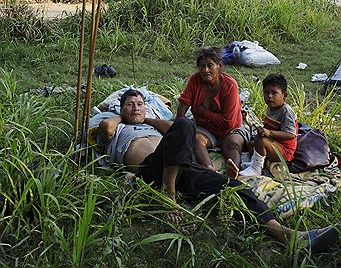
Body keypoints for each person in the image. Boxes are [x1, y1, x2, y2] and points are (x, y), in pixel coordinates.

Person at [92, 88, 339, 253]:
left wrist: (145, 117)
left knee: (233, 186)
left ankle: (290, 237)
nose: (135, 107)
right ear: (120, 109)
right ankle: (170, 198)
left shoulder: (154, 124)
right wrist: (124, 117)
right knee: (183, 125)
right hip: (149, 169)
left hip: (180, 167)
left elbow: (175, 129)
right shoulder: (116, 126)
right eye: (129, 105)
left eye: (139, 104)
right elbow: (107, 128)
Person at [176, 47, 250, 177]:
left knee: (232, 145)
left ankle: (232, 171)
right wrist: (179, 125)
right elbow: (184, 102)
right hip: (206, 128)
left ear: (219, 65)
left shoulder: (230, 85)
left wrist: (204, 112)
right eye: (202, 66)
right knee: (197, 140)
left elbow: (228, 122)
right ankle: (209, 171)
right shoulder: (195, 80)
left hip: (231, 129)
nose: (205, 70)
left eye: (210, 66)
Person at [239, 74, 298, 177]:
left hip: (284, 151)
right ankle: (257, 163)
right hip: (273, 143)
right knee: (251, 143)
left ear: (284, 95)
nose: (269, 96)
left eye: (274, 93)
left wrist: (269, 132)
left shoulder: (286, 112)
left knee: (261, 141)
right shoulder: (270, 108)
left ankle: (256, 169)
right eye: (266, 93)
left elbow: (291, 134)